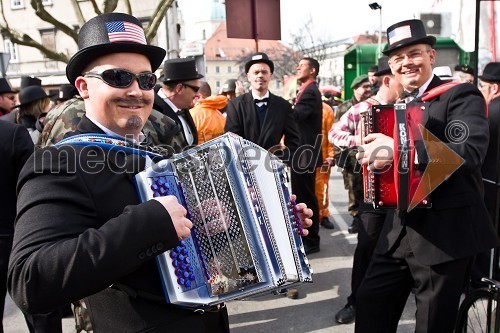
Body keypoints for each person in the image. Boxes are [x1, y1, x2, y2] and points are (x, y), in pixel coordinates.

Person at [8, 13, 312, 332]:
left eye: (146, 80)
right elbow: (30, 282)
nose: (137, 90)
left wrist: (258, 223)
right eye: (118, 77)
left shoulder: (158, 152)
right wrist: (151, 223)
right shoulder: (58, 161)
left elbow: (182, 244)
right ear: (84, 87)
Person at [354, 19, 499, 333]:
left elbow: (469, 152)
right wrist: (376, 164)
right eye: (398, 58)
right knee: (369, 305)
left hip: (444, 235)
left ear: (431, 56)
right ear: (391, 66)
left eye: (414, 53)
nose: (406, 62)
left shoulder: (461, 96)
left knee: (432, 324)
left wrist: (397, 151)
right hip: (396, 232)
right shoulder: (393, 107)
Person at [330, 56, 402, 324]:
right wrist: (357, 141)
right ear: (387, 79)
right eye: (398, 77)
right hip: (372, 193)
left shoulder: (411, 106)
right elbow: (334, 134)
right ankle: (355, 301)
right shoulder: (363, 109)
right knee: (367, 247)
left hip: (405, 194)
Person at [224, 52, 301, 165]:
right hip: (245, 170)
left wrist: (281, 161)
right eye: (256, 72)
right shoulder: (235, 105)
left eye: (264, 72)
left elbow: (294, 140)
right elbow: (231, 140)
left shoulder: (283, 106)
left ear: (271, 76)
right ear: (248, 76)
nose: (260, 75)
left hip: (273, 170)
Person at [0, 121, 36, 332]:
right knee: (40, 315)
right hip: (19, 233)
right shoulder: (12, 133)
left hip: (18, 233)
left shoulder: (13, 133)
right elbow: (34, 186)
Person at [473, 62, 500, 287]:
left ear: (494, 88)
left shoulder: (490, 113)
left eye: (483, 86)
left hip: (489, 184)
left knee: (487, 235)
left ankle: (484, 279)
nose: (480, 90)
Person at [333, 74, 372, 234]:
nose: (368, 90)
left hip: (369, 157)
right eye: (365, 87)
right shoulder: (345, 108)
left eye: (369, 87)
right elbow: (335, 135)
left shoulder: (372, 106)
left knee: (369, 189)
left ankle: (368, 218)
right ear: (355, 89)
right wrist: (338, 157)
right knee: (354, 190)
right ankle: (356, 219)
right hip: (351, 158)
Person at [292, 57, 323, 254]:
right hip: (303, 152)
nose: (297, 68)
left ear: (312, 70)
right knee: (303, 195)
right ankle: (309, 237)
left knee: (306, 197)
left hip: (305, 153)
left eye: (301, 66)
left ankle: (311, 239)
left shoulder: (310, 91)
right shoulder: (307, 89)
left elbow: (295, 116)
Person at [154, 57, 202, 149]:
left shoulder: (183, 108)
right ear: (179, 88)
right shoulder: (151, 110)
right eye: (195, 89)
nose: (198, 95)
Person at [315, 101, 335, 230]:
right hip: (302, 160)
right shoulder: (296, 108)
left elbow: (331, 135)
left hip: (322, 160)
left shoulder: (326, 110)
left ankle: (323, 215)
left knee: (322, 189)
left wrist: (330, 155)